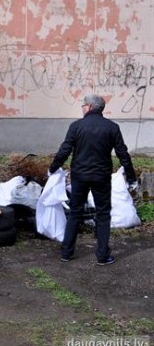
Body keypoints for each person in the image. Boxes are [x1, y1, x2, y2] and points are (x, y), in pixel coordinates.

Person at [48, 94, 137, 265]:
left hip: (79, 176)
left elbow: (65, 150)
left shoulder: (76, 126)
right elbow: (123, 154)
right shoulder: (112, 127)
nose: (82, 108)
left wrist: (52, 168)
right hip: (101, 177)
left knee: (75, 213)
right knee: (103, 214)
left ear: (89, 106)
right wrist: (131, 177)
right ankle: (103, 256)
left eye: (83, 105)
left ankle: (66, 253)